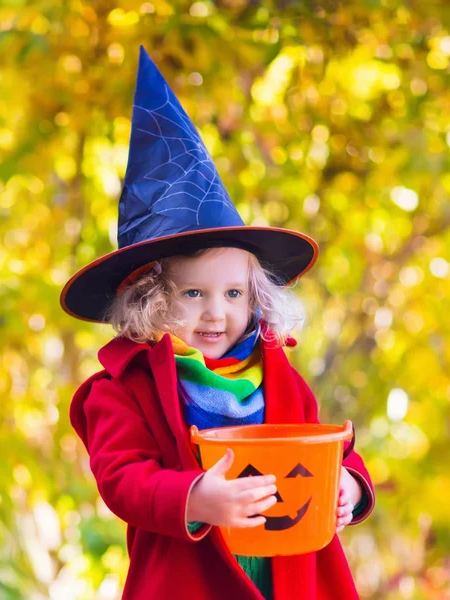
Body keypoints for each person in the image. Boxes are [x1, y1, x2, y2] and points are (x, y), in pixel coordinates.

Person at [61, 47, 375, 600]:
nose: (216, 312)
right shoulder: (122, 390)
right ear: (150, 300)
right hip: (190, 581)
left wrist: (350, 482)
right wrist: (193, 498)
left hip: (290, 577)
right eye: (192, 294)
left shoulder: (275, 374)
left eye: (233, 293)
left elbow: (329, 449)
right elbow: (122, 477)